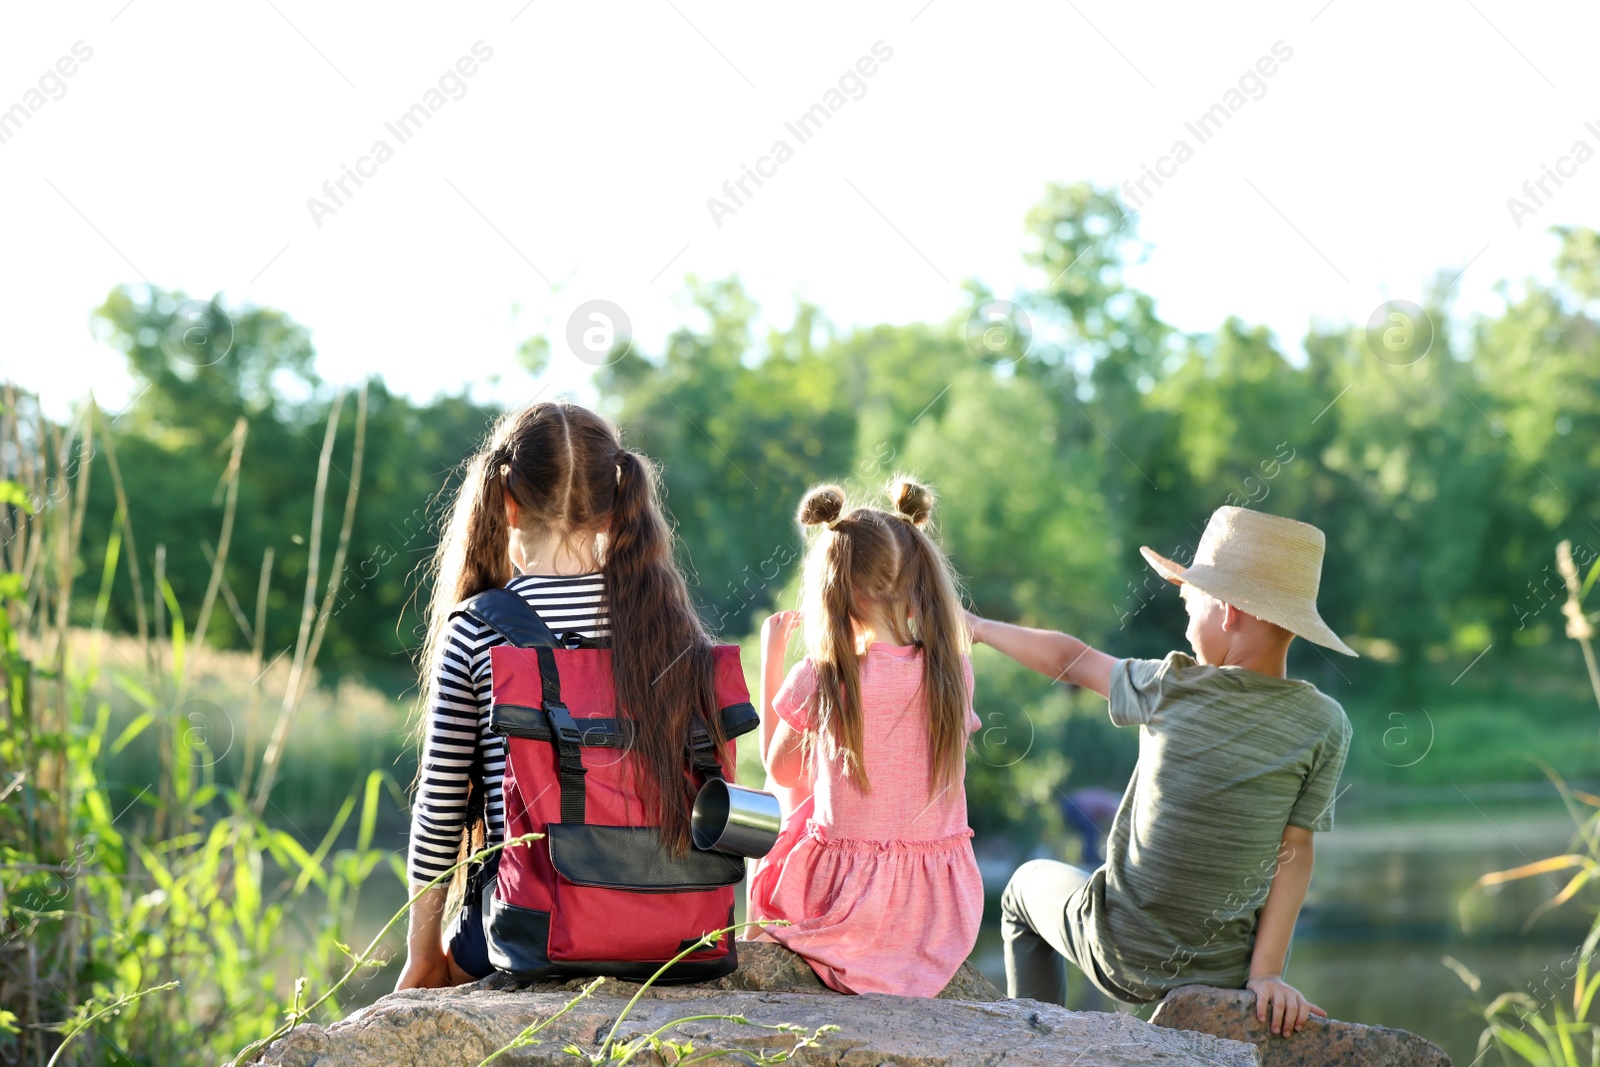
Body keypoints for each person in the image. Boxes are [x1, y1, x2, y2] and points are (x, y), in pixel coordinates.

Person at [968, 506, 1354, 1039]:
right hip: (1226, 975)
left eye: (1189, 603)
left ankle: (1036, 1042)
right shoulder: (1325, 723)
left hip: (1121, 953)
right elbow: (1296, 853)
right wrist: (1265, 975)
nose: (1185, 622)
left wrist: (978, 627)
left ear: (1229, 609)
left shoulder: (1171, 686)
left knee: (1019, 889)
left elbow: (1069, 658)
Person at [395, 400, 720, 990]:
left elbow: (441, 809)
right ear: (612, 510)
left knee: (455, 958)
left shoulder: (477, 627)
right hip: (674, 930)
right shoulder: (669, 625)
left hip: (526, 930)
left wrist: (422, 954)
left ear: (508, 505)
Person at [748, 479, 983, 996]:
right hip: (939, 912)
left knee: (791, 804)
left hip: (840, 902)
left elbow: (780, 768)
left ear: (838, 591)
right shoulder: (954, 671)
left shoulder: (826, 674)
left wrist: (770, 660)